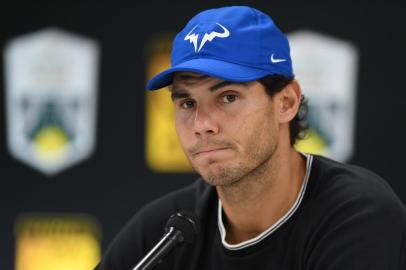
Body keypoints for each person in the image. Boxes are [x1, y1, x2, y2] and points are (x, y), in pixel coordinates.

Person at [95, 6, 406, 270]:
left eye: (228, 97)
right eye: (187, 103)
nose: (202, 124)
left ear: (286, 102)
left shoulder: (357, 215)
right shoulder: (165, 231)